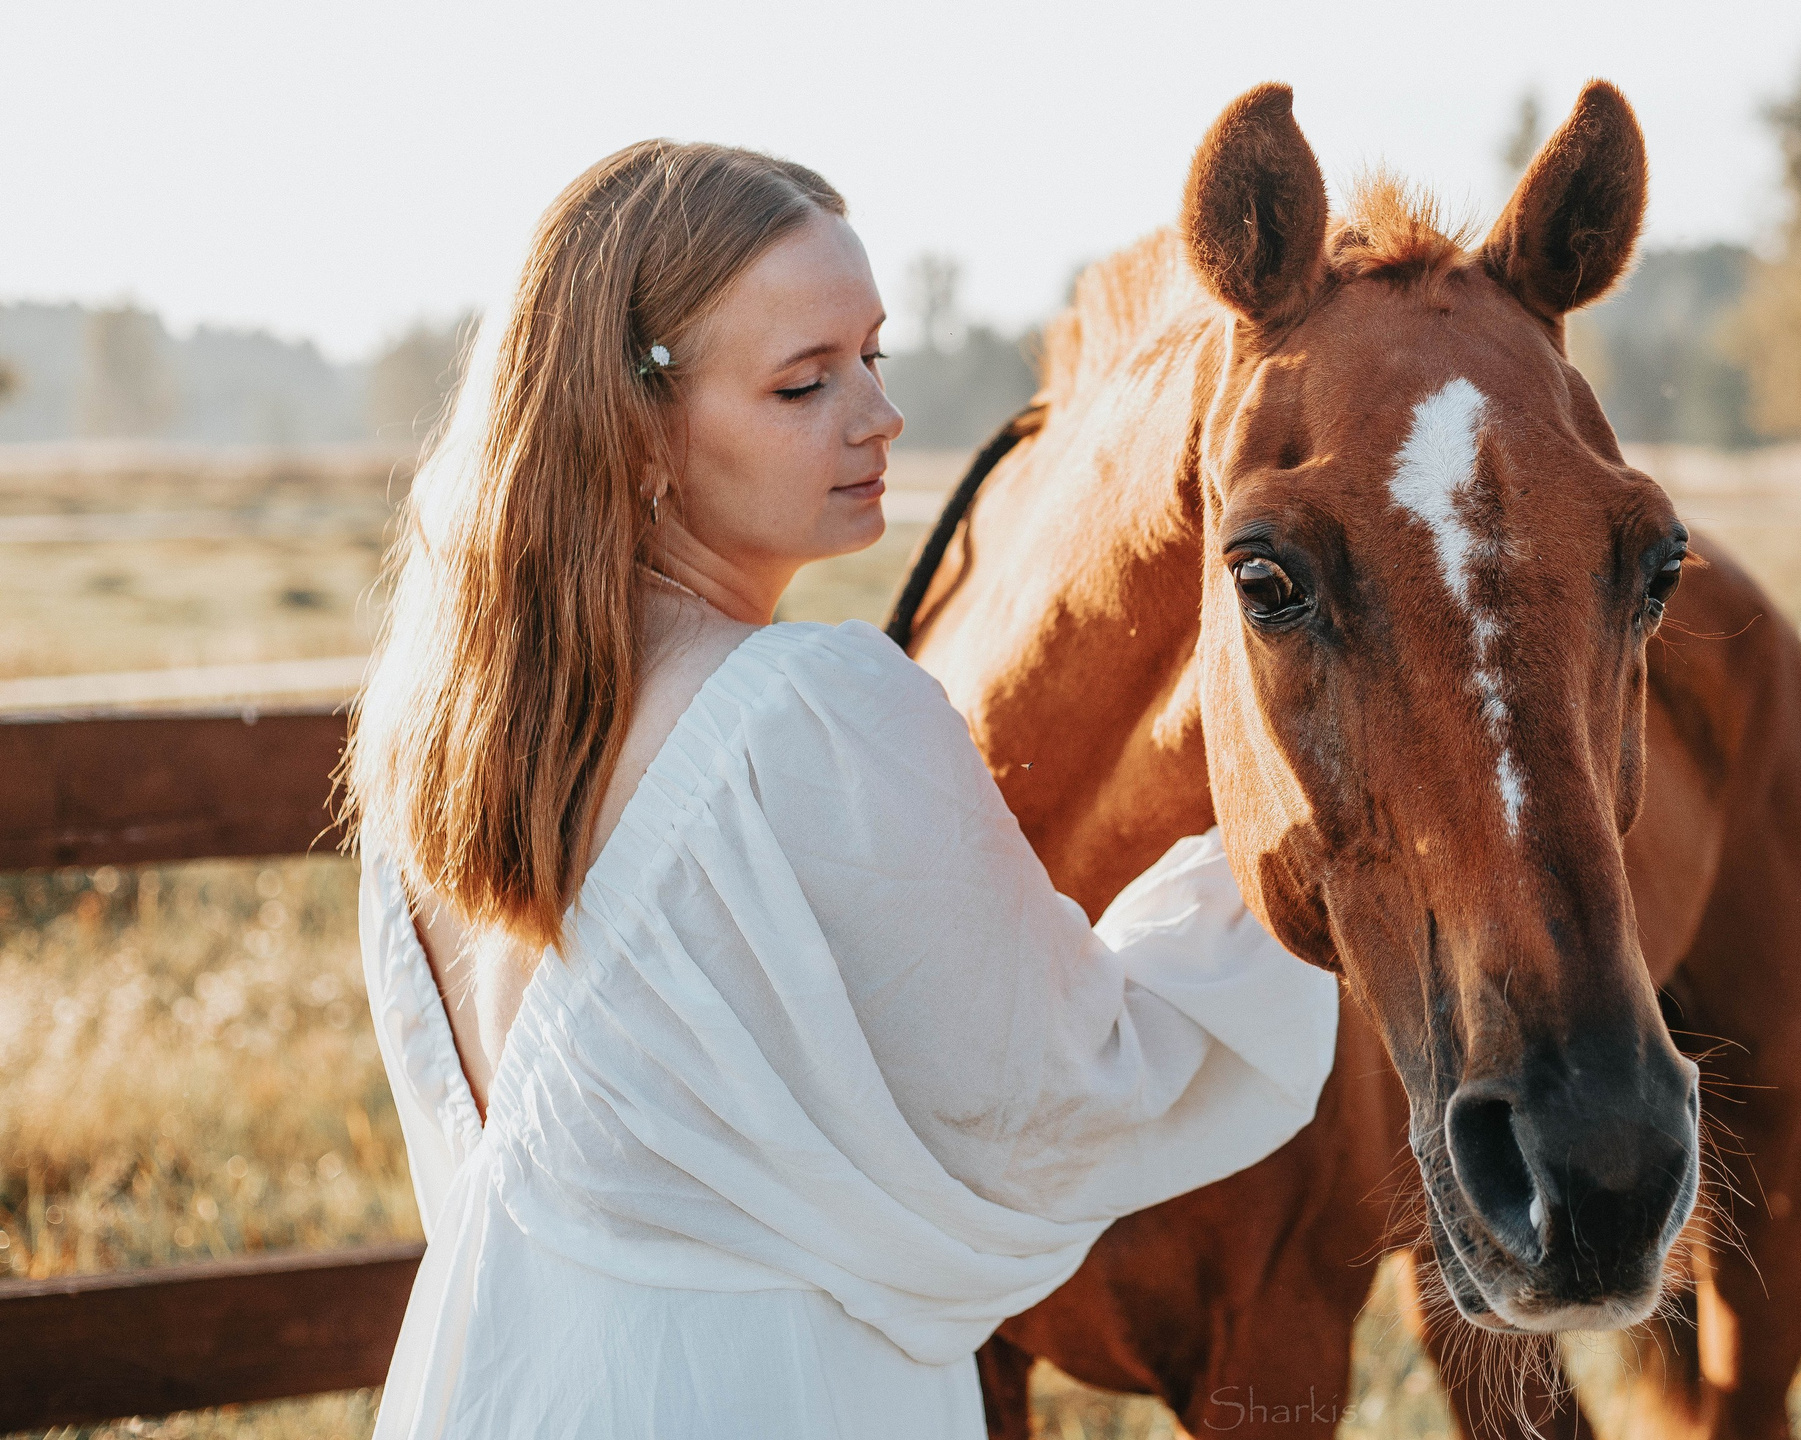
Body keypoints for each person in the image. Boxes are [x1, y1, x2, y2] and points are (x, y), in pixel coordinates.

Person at [341, 140, 1339, 1439]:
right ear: (639, 428)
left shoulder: (441, 753)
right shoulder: (802, 711)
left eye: (874, 355)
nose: (878, 415)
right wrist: (1317, 838)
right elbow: (1076, 1090)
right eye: (804, 384)